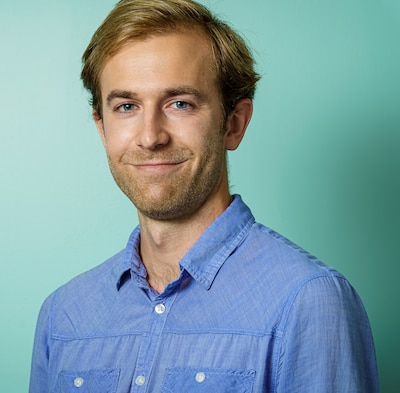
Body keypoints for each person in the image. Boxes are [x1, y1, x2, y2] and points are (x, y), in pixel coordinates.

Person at [29, 0, 379, 392]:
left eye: (180, 103)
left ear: (233, 124)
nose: (150, 137)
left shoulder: (308, 302)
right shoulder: (63, 317)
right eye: (126, 106)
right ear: (102, 128)